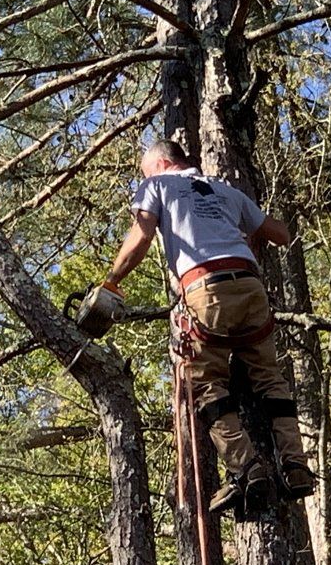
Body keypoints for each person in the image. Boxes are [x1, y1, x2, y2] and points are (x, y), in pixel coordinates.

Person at [104, 139, 315, 514]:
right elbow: (280, 234)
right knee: (270, 379)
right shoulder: (225, 190)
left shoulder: (157, 186)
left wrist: (112, 281)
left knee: (206, 384)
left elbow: (141, 235)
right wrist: (243, 235)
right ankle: (295, 464)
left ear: (162, 162)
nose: (144, 177)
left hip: (205, 290)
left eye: (145, 170)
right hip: (250, 287)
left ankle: (248, 469)